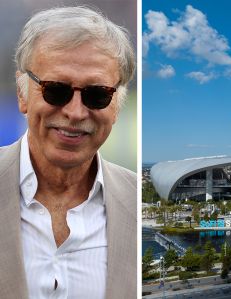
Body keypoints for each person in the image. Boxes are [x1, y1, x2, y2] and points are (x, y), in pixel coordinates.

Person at [0, 6, 136, 298]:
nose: (75, 112)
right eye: (55, 90)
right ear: (22, 95)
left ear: (116, 108)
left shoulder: (135, 201)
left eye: (97, 95)